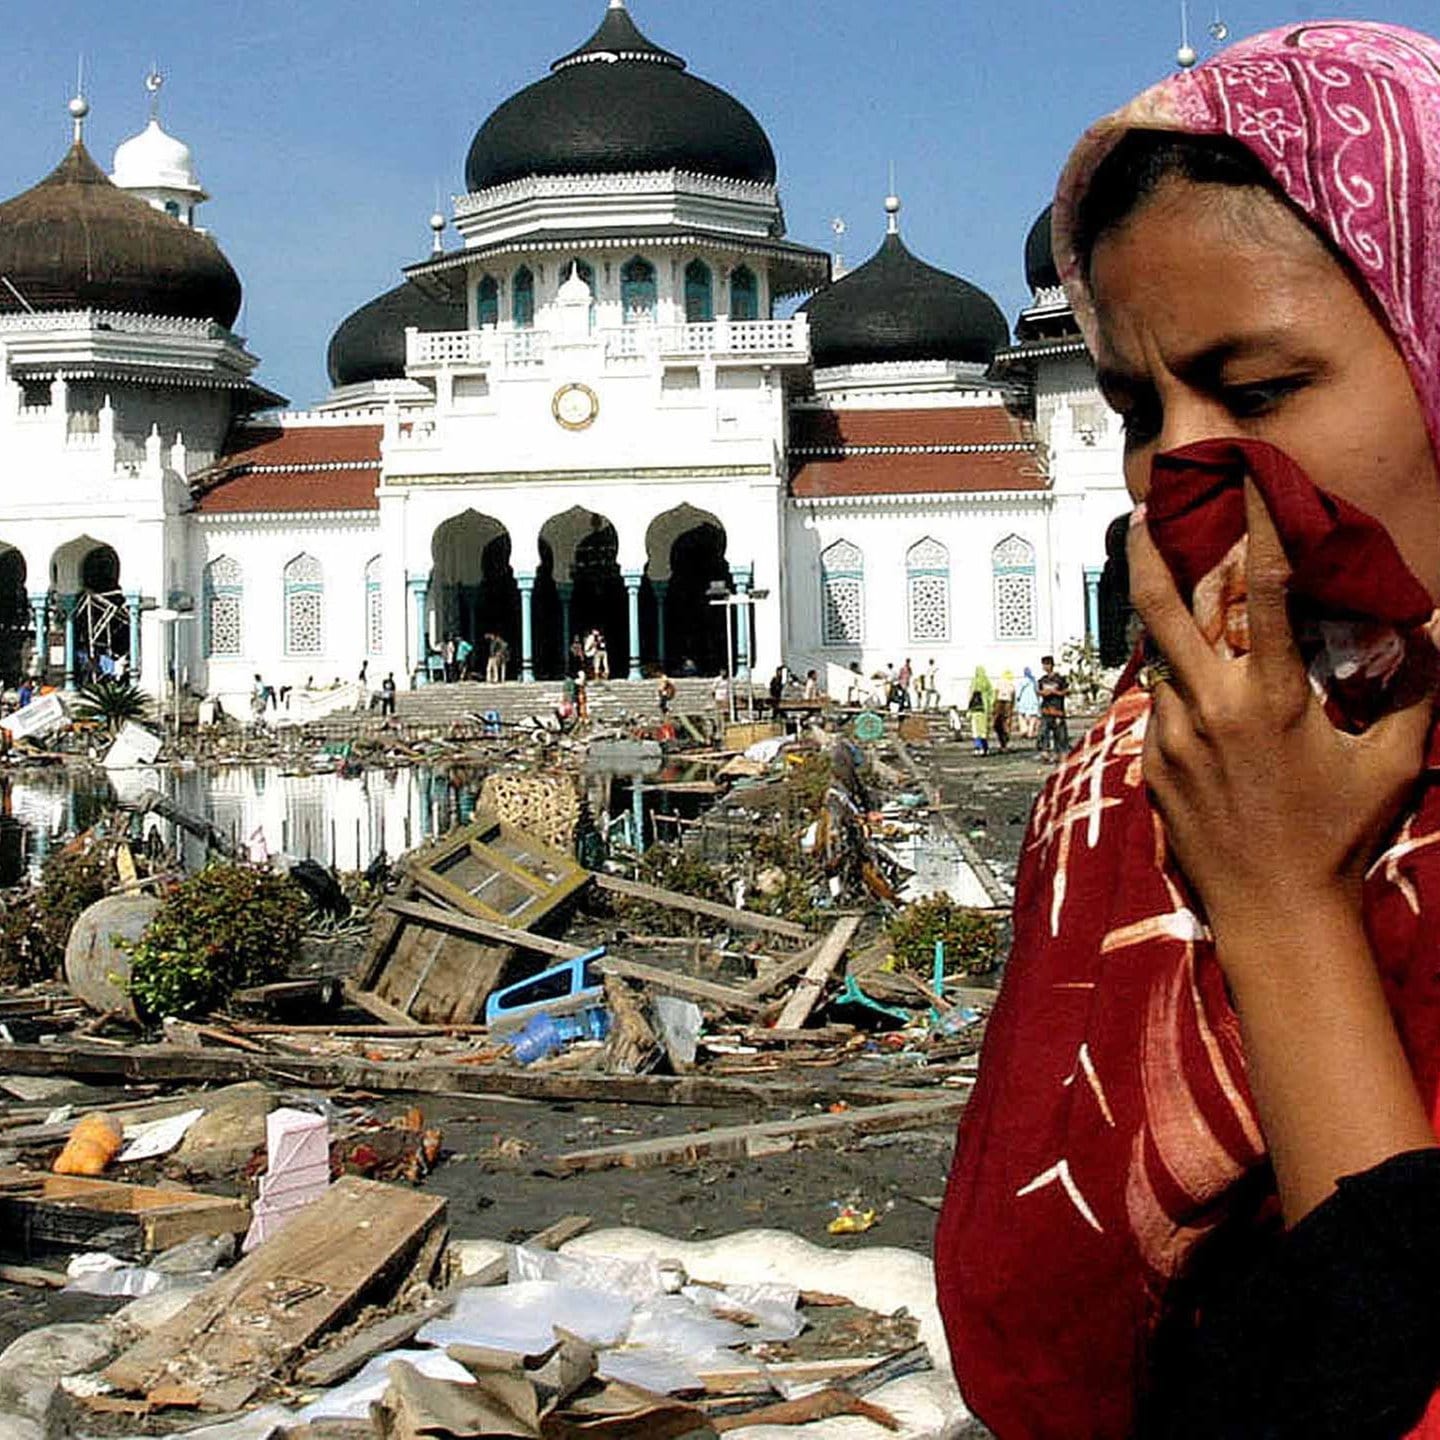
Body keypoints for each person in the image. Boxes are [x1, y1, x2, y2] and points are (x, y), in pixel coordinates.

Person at [938, 23, 1440, 1439]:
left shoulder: (1235, 786)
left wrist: (1281, 907)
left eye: (1262, 389)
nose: (1182, 465)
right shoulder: (1166, 753)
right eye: (1133, 405)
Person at [1035, 652, 1069, 761]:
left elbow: (1066, 691)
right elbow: (1038, 691)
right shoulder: (1042, 680)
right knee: (1043, 732)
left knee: (1059, 734)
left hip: (1058, 710)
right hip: (1046, 710)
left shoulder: (1060, 678)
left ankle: (1061, 753)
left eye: (1048, 664)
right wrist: (1043, 693)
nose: (1046, 666)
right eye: (1044, 664)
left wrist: (1055, 692)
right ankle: (1045, 752)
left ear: (1052, 665)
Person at [966, 666, 993, 755]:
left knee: (976, 729)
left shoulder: (974, 682)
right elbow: (991, 696)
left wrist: (968, 709)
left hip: (975, 709)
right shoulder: (987, 682)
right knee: (984, 729)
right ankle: (985, 748)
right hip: (984, 709)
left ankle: (978, 748)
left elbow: (970, 695)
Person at [992, 669, 1015, 753]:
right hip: (1007, 705)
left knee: (998, 725)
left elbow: (995, 694)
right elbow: (1012, 696)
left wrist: (993, 707)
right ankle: (1005, 745)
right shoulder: (1011, 684)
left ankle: (1002, 744)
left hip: (999, 704)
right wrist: (1012, 709)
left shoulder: (999, 683)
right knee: (1006, 725)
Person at [1014, 664, 1040, 738]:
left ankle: (1024, 730)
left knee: (1022, 717)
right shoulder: (1034, 681)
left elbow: (1019, 691)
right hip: (1033, 701)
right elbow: (1037, 691)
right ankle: (1030, 732)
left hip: (1024, 702)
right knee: (1033, 718)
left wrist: (1017, 698)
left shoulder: (1022, 681)